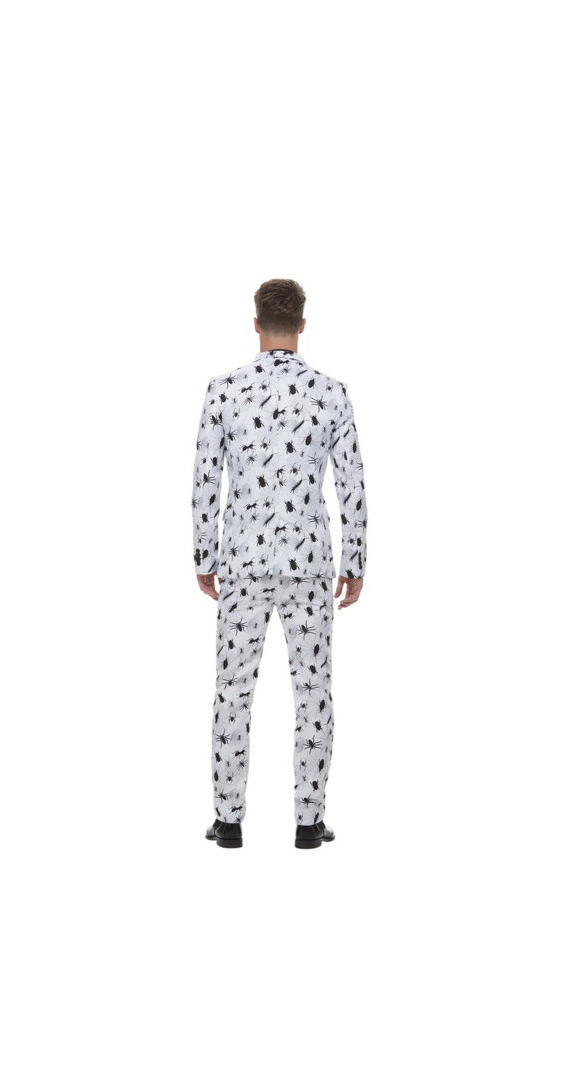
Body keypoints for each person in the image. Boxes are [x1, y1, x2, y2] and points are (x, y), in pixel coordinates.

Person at [191, 279, 368, 849]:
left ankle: (229, 821)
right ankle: (309, 824)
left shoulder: (223, 391)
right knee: (313, 692)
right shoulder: (331, 393)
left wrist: (204, 555)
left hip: (241, 563)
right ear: (302, 326)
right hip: (310, 565)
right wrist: (355, 560)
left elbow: (205, 480)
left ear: (256, 324)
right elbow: (351, 483)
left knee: (232, 691)